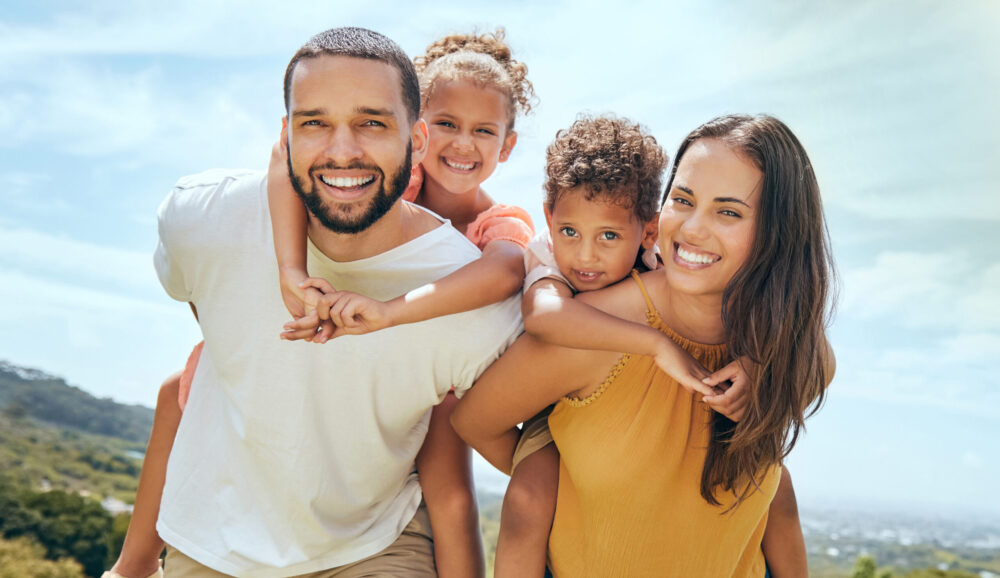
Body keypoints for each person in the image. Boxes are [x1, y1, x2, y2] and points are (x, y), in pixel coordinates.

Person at [105, 29, 534, 578]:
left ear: (412, 137)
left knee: (446, 478)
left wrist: (392, 313)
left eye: (372, 123)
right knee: (183, 391)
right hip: (240, 498)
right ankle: (132, 565)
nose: (343, 150)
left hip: (409, 413)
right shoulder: (245, 206)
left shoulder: (481, 247)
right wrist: (288, 276)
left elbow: (506, 271)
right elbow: (281, 172)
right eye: (316, 123)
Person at [453, 114, 835, 577]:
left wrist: (762, 363)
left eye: (728, 211)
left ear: (781, 233)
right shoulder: (593, 331)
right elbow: (475, 420)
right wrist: (555, 476)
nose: (692, 229)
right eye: (684, 199)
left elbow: (819, 364)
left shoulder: (780, 343)